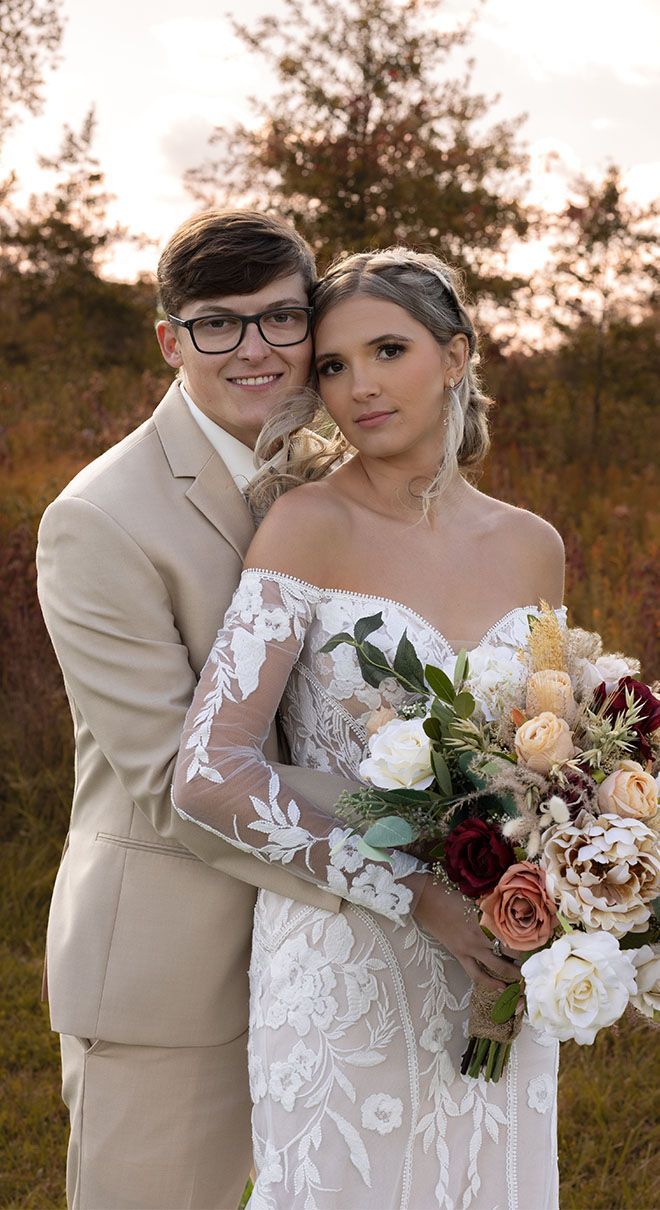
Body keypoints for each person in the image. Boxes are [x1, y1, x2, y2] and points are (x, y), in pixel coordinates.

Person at [172, 247, 565, 1209]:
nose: (360, 388)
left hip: (497, 954)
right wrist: (410, 894)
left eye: (389, 350)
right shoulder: (308, 524)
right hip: (345, 964)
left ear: (458, 356)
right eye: (337, 367)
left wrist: (556, 895)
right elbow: (209, 773)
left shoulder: (533, 545)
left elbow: (553, 765)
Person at [36, 210, 371, 1210]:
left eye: (281, 317)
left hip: (324, 963)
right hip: (170, 971)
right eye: (219, 323)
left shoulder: (337, 477)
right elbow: (173, 777)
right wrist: (429, 832)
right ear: (170, 339)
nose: (257, 349)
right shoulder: (99, 519)